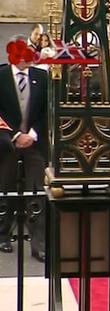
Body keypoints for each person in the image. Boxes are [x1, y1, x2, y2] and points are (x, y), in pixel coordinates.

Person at [0, 35, 48, 261]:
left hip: (34, 142)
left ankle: (38, 244)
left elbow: (47, 110)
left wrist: (32, 135)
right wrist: (16, 135)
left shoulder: (42, 77)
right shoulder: (0, 76)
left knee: (36, 192)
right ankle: (3, 234)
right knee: (5, 189)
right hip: (6, 143)